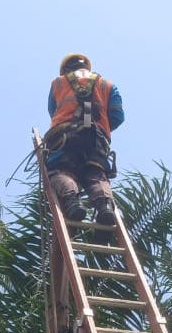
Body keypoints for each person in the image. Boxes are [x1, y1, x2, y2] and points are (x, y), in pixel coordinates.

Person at [45, 53, 124, 225]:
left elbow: (54, 111)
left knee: (59, 171)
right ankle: (105, 207)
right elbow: (118, 116)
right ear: (86, 67)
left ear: (65, 69)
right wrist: (99, 126)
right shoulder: (107, 85)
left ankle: (73, 201)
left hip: (65, 138)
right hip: (96, 139)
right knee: (95, 174)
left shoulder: (58, 83)